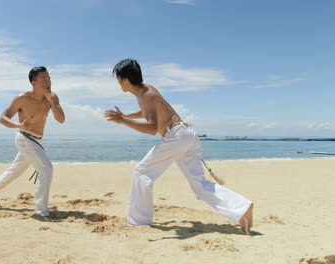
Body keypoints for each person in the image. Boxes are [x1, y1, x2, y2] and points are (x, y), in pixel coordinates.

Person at [104, 59, 253, 234]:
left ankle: (139, 220)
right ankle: (242, 207)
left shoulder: (146, 95)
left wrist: (123, 121)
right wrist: (127, 115)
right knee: (199, 184)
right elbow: (148, 112)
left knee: (142, 172)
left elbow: (152, 128)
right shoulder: (145, 92)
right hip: (186, 133)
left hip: (177, 136)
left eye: (119, 78)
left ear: (126, 79)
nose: (118, 83)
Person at [0, 66, 65, 217]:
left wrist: (52, 102)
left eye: (49, 77)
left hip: (37, 141)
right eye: (44, 78)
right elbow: (3, 118)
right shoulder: (22, 98)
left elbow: (61, 119)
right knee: (46, 168)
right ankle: (41, 210)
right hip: (24, 138)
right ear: (34, 82)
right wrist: (18, 125)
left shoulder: (53, 97)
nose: (48, 81)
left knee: (13, 172)